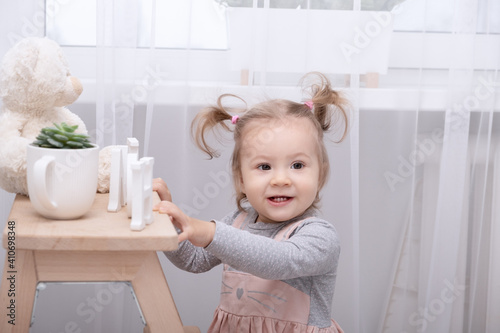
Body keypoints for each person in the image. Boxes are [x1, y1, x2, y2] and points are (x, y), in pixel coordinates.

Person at [153, 72, 348, 333]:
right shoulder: (238, 221)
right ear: (241, 179)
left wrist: (208, 231)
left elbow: (278, 261)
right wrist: (170, 222)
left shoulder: (320, 236)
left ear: (320, 173)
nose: (281, 179)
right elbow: (194, 260)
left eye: (297, 165)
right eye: (264, 166)